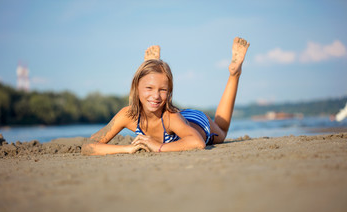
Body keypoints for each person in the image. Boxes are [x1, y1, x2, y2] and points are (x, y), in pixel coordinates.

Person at [81, 37, 250, 155]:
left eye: (162, 90)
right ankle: (153, 67)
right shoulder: (128, 114)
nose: (156, 96)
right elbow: (88, 146)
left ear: (169, 92)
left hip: (196, 122)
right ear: (136, 87)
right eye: (149, 88)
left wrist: (159, 147)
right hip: (178, 121)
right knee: (154, 90)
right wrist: (127, 149)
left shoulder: (170, 117)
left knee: (222, 131)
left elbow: (197, 143)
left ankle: (234, 75)